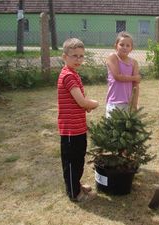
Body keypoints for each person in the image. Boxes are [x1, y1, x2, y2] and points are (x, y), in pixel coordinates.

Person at [57, 38, 99, 202]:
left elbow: (78, 100)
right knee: (72, 162)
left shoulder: (73, 74)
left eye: (81, 56)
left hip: (78, 126)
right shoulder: (68, 76)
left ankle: (76, 184)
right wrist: (93, 104)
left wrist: (85, 105)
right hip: (70, 129)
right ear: (64, 57)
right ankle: (74, 193)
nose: (78, 59)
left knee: (78, 159)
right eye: (74, 56)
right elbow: (81, 101)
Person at [105, 32, 141, 117]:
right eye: (121, 45)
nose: (124, 47)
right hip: (114, 102)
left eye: (128, 45)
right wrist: (135, 78)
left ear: (131, 48)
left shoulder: (134, 63)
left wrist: (134, 104)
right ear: (116, 46)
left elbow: (136, 85)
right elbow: (117, 76)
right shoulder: (112, 57)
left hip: (128, 102)